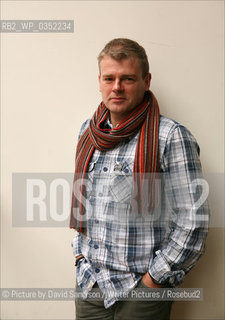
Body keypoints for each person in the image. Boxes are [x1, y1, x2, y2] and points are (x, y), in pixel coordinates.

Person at [70, 38, 209, 320]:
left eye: (128, 78)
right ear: (99, 81)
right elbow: (81, 200)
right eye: (109, 78)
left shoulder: (170, 136)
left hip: (140, 291)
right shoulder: (89, 131)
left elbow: (194, 222)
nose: (117, 87)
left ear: (146, 80)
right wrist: (79, 257)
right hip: (91, 285)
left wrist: (153, 281)